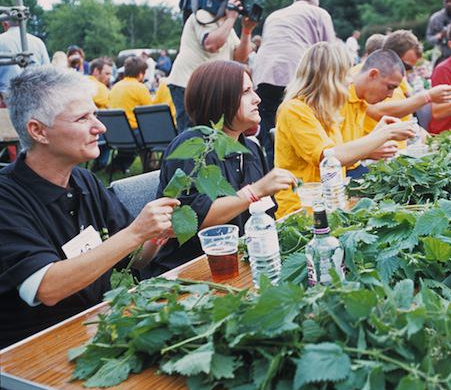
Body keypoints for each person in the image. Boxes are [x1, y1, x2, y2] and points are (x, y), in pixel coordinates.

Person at [0, 66, 179, 348]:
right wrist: (134, 233)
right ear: (38, 131)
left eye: (94, 114)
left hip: (96, 332)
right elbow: (47, 288)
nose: (100, 127)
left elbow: (132, 259)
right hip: (34, 355)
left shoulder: (83, 179)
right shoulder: (7, 198)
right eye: (83, 118)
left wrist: (155, 236)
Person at [142, 61, 296, 277]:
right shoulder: (194, 146)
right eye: (246, 91)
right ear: (219, 99)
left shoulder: (250, 148)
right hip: (189, 273)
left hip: (243, 263)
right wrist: (256, 190)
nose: (257, 99)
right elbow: (197, 218)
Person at [274, 42, 416, 218]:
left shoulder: (326, 111)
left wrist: (374, 138)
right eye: (345, 75)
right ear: (330, 78)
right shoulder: (294, 109)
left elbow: (343, 158)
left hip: (327, 205)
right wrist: (386, 134)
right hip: (302, 213)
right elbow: (329, 157)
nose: (350, 81)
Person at [252, 0, 335, 170]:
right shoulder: (318, 13)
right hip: (294, 72)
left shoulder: (274, 15)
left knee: (272, 134)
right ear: (315, 2)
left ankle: (273, 178)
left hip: (263, 74)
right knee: (301, 124)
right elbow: (329, 51)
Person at [341, 49, 451, 177]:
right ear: (373, 75)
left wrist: (377, 137)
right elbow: (331, 156)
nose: (390, 95)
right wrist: (373, 146)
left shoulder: (363, 98)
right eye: (389, 87)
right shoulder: (341, 97)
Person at [167, 0, 257, 133]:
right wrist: (231, 18)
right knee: (193, 133)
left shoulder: (226, 25)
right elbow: (211, 44)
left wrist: (246, 31)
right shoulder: (202, 15)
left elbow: (240, 57)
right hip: (187, 83)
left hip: (210, 86)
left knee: (214, 131)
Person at [108, 57, 153, 173]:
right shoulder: (140, 88)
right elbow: (150, 113)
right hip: (133, 135)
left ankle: (117, 166)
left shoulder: (115, 87)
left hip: (113, 134)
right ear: (140, 73)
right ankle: (151, 166)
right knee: (151, 133)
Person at [0, 19, 50, 104]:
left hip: (5, 101)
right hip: (33, 101)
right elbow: (48, 74)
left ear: (5, 24)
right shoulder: (38, 42)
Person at [426, 0, 451, 64]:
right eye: (446, 1)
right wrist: (439, 36)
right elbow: (429, 39)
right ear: (443, 2)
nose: (449, 4)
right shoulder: (435, 18)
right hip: (442, 55)